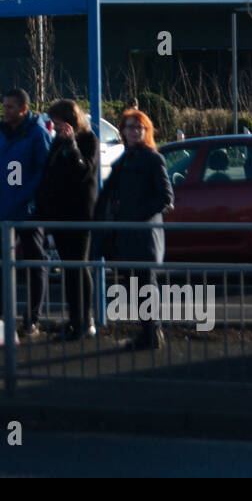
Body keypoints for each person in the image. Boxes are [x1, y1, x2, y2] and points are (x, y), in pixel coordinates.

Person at [96, 107, 175, 350]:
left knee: (146, 285)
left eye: (138, 127)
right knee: (137, 286)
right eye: (129, 127)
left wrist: (136, 216)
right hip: (129, 234)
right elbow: (109, 194)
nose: (134, 131)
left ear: (146, 131)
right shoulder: (124, 160)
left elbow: (166, 197)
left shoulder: (152, 158)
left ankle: (152, 333)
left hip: (145, 234)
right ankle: (147, 332)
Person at [0, 88, 52, 338]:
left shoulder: (36, 133)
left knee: (35, 261)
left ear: (23, 109)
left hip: (28, 211)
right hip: (4, 209)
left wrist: (27, 195)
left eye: (10, 107)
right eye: (4, 106)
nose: (5, 111)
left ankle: (32, 318)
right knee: (0, 263)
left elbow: (43, 169)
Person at [37, 100, 100, 340]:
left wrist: (72, 144)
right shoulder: (57, 142)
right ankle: (75, 319)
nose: (56, 127)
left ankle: (86, 319)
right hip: (62, 212)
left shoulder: (88, 140)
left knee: (79, 266)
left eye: (59, 123)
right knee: (68, 268)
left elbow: (84, 171)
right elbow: (51, 174)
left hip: (81, 212)